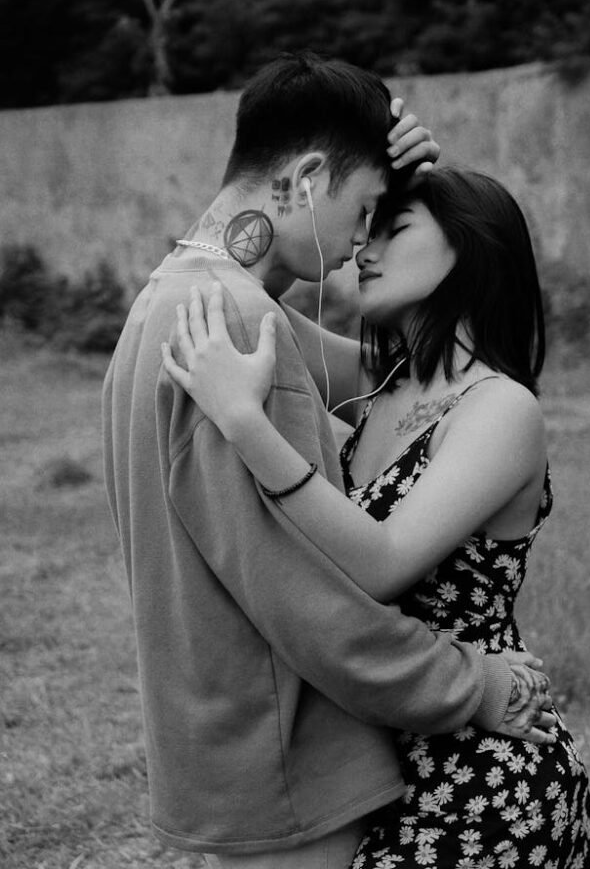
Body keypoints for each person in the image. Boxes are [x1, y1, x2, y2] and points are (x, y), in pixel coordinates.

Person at [102, 52, 554, 868]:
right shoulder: (234, 327)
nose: (358, 246)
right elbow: (304, 591)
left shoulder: (175, 298)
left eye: (392, 225)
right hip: (289, 757)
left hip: (247, 744)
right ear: (307, 177)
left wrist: (409, 174)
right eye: (365, 210)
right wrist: (473, 685)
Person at [162, 164, 590, 868]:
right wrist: (377, 153)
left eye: (393, 229)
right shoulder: (384, 388)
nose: (363, 251)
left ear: (471, 246)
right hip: (372, 751)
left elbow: (381, 562)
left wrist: (246, 423)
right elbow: (229, 284)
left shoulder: (500, 407)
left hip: (480, 775)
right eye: (366, 228)